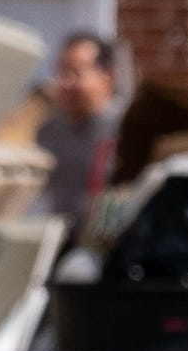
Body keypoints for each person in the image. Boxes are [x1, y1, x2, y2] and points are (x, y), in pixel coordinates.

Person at [35, 27, 123, 217]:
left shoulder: (126, 131)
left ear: (106, 77)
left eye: (76, 73)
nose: (65, 82)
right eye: (61, 72)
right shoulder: (48, 134)